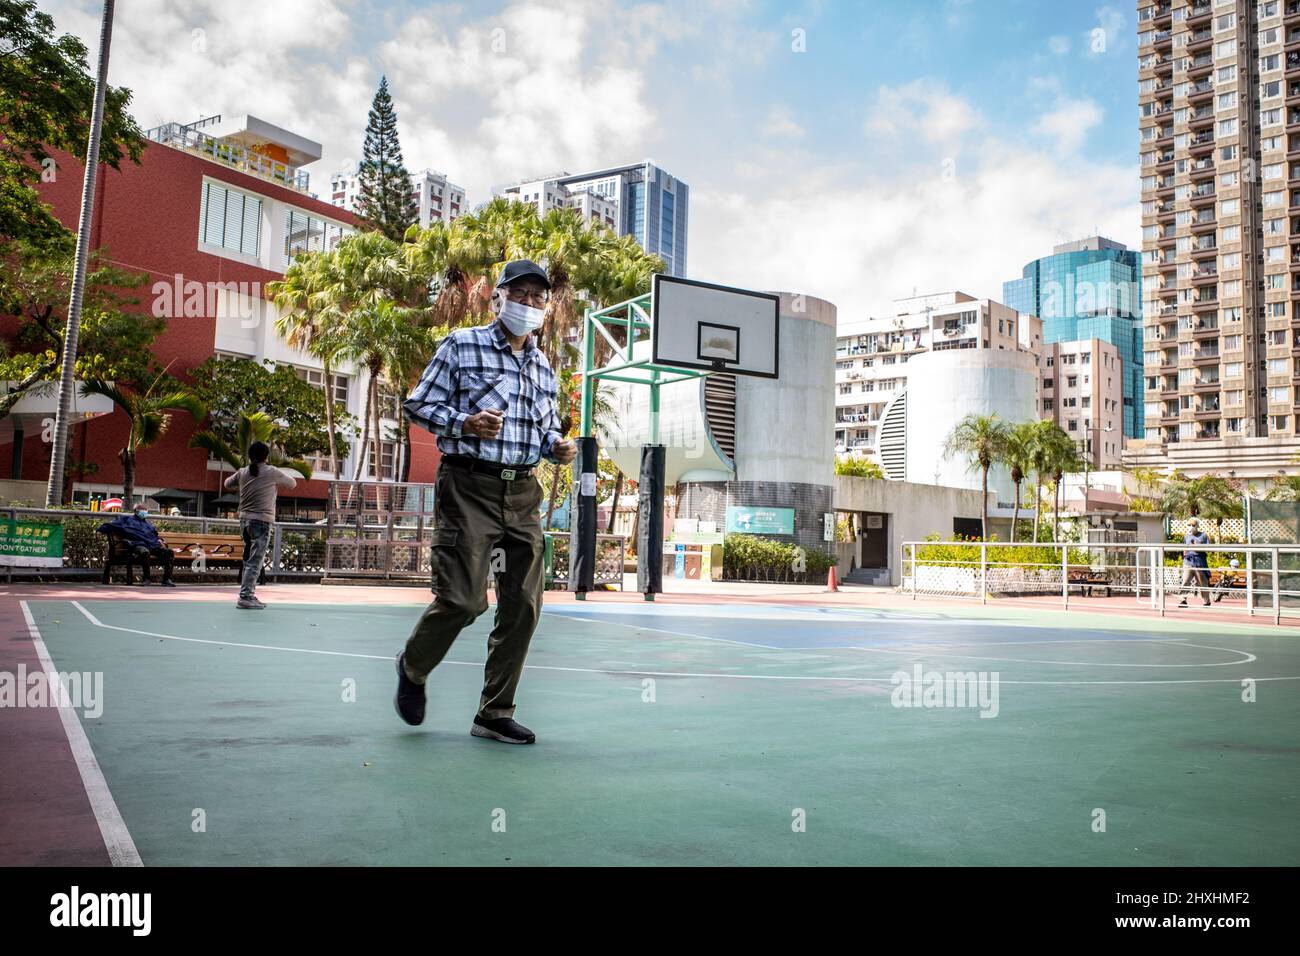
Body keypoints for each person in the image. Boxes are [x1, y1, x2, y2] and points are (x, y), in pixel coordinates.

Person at [396, 259, 577, 744]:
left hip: (523, 493)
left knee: (524, 605)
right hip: (468, 486)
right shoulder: (462, 345)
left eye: (539, 299)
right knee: (462, 599)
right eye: (520, 295)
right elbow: (416, 405)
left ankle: (494, 713)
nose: (530, 305)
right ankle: (413, 667)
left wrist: (557, 448)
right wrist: (465, 423)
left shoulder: (543, 368)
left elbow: (544, 434)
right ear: (499, 297)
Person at [222, 441, 296, 609]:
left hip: (244, 521)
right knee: (255, 561)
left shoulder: (242, 472)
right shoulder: (272, 471)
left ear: (250, 456)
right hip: (261, 521)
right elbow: (292, 484)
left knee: (249, 559)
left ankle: (248, 593)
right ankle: (246, 596)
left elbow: (227, 483)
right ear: (266, 456)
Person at [99, 504, 175, 586]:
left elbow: (155, 535)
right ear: (136, 511)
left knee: (169, 552)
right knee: (144, 552)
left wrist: (160, 540)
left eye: (146, 510)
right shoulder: (127, 520)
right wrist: (100, 530)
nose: (145, 511)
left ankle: (167, 580)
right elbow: (111, 525)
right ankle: (146, 579)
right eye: (143, 509)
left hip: (152, 545)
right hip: (136, 544)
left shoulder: (148, 524)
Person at [1177, 516, 1212, 608]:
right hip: (1188, 562)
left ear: (1197, 525)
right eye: (1188, 524)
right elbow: (1185, 547)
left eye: (1192, 524)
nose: (1190, 526)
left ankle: (1206, 601)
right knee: (1185, 581)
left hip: (1200, 561)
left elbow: (1208, 548)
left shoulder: (1203, 535)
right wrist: (1184, 556)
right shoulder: (1186, 535)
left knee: (1202, 582)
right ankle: (1182, 600)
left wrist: (1197, 547)